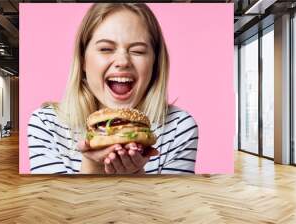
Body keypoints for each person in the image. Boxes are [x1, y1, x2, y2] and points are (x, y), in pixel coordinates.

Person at [28, 3, 198, 174]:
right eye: (106, 49)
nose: (123, 61)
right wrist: (93, 169)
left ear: (155, 62)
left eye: (138, 51)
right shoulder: (46, 123)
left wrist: (137, 178)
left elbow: (175, 200)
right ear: (83, 60)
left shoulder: (178, 128)